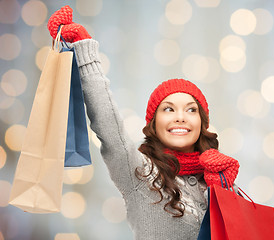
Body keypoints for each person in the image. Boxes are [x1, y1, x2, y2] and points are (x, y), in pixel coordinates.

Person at [48, 6, 240, 240]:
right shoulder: (140, 173)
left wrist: (224, 191)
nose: (180, 116)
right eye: (168, 109)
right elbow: (108, 125)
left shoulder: (217, 178)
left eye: (191, 110)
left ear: (202, 123)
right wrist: (85, 49)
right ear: (154, 124)